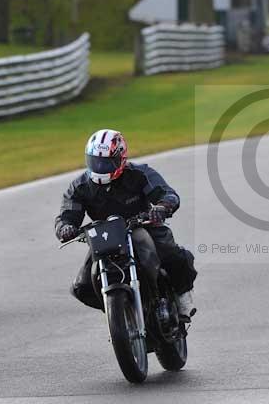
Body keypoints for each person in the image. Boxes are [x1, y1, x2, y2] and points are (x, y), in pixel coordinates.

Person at [54, 129, 197, 320]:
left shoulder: (139, 173)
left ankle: (182, 297)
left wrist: (163, 207)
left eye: (106, 162)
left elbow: (166, 193)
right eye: (95, 161)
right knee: (82, 286)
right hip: (105, 236)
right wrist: (65, 228)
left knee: (174, 256)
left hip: (144, 225)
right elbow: (67, 215)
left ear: (121, 158)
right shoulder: (80, 186)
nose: (100, 167)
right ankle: (124, 313)